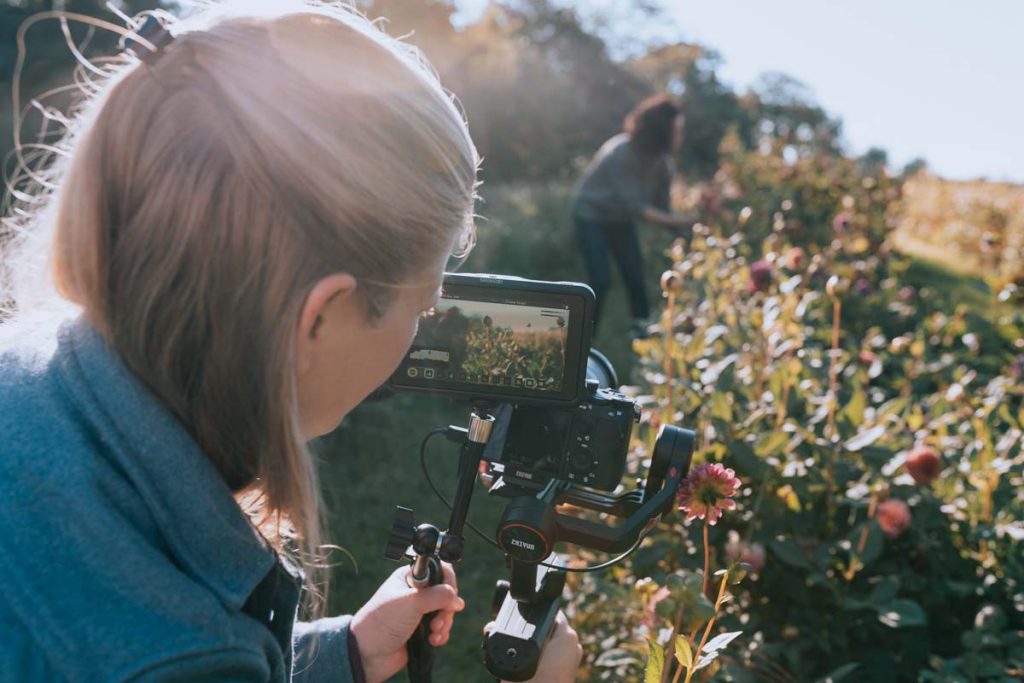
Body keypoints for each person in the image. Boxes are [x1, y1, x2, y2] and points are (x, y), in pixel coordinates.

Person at [0, 2, 582, 681]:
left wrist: (345, 654)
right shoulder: (174, 654)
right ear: (317, 319)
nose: (421, 329)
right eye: (423, 304)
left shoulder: (28, 366)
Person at [570, 94, 695, 336]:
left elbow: (662, 209)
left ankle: (642, 335)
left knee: (635, 275)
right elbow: (640, 209)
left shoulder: (662, 163)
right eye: (676, 130)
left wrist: (689, 229)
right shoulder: (621, 152)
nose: (680, 136)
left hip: (619, 219)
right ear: (661, 130)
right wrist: (687, 221)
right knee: (601, 279)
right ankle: (586, 341)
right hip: (591, 214)